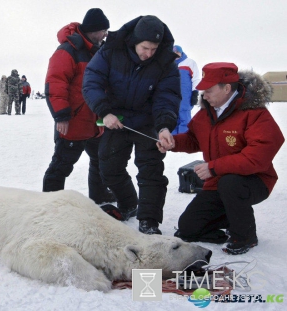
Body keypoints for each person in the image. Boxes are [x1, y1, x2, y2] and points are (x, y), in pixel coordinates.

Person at [157, 62, 284, 254]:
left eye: (208, 90)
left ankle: (245, 236)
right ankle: (230, 216)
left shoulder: (255, 113)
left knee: (230, 183)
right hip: (218, 180)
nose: (204, 95)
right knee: (188, 229)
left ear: (226, 88)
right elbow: (193, 139)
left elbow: (257, 157)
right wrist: (173, 143)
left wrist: (214, 167)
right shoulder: (206, 111)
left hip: (255, 181)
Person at [82, 15, 181, 232]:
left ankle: (149, 220)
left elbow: (168, 97)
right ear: (135, 40)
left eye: (154, 49)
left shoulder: (165, 61)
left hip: (149, 121)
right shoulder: (111, 50)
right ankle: (128, 204)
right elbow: (92, 81)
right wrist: (104, 112)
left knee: (151, 171)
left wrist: (164, 127)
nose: (149, 54)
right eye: (145, 47)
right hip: (117, 119)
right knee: (108, 166)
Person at [43, 8, 115, 205]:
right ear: (94, 30)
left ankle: (99, 195)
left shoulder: (99, 51)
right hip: (73, 121)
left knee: (100, 161)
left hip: (96, 122)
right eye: (104, 30)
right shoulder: (67, 51)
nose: (106, 34)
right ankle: (50, 203)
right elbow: (55, 84)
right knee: (61, 165)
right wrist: (61, 116)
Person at [172, 45, 201, 134]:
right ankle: (172, 143)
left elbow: (196, 78)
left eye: (177, 52)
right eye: (173, 52)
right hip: (171, 96)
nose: (176, 54)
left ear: (181, 52)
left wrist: (195, 93)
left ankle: (184, 142)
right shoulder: (167, 64)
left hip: (185, 96)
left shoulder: (189, 62)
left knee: (184, 118)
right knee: (171, 118)